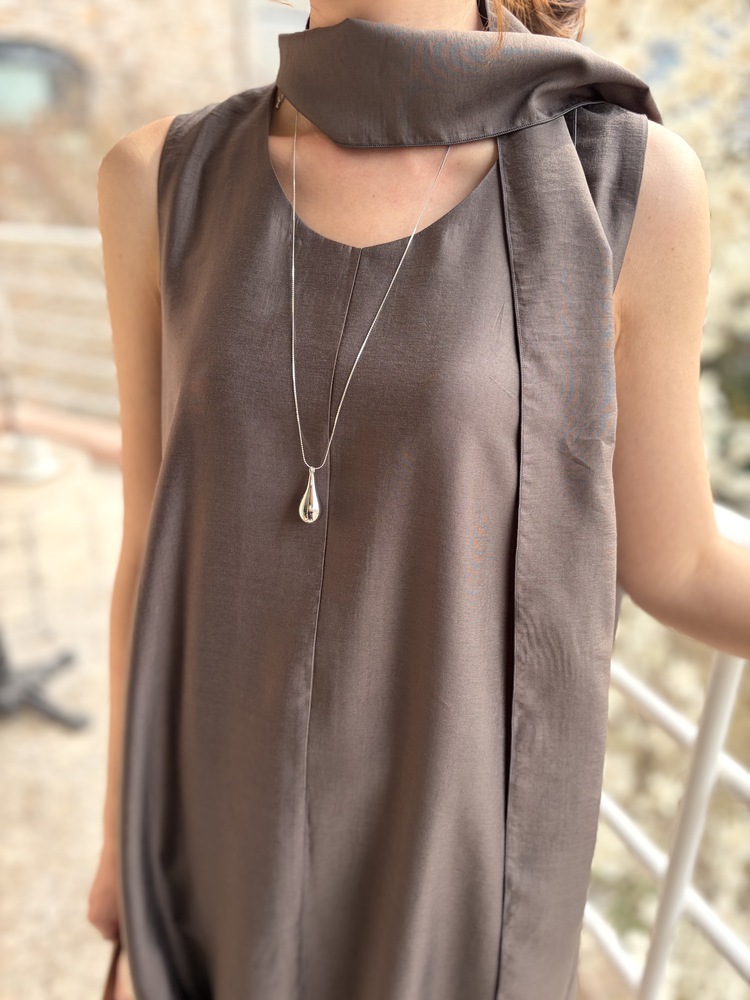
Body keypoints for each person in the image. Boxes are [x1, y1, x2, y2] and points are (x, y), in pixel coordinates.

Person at [87, 1, 750, 999]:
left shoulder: (622, 184)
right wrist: (119, 837)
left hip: (451, 874)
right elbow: (148, 547)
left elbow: (681, 562)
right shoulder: (158, 178)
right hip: (208, 840)